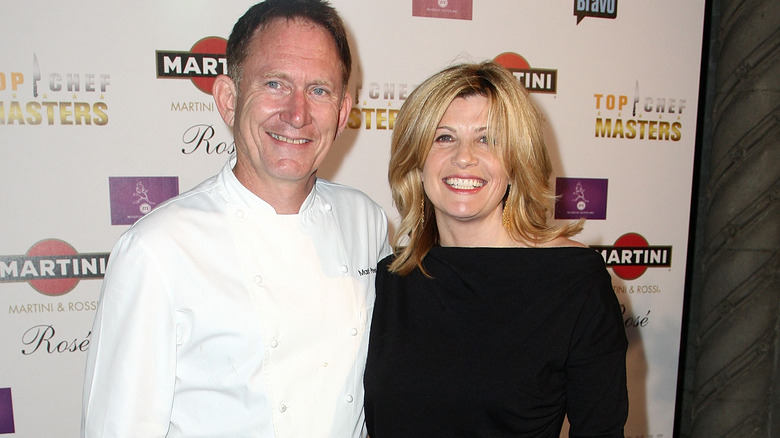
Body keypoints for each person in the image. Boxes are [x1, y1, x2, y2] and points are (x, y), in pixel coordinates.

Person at [82, 1, 391, 437]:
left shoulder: (366, 221)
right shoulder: (157, 249)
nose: (297, 113)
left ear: (342, 112)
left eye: (319, 90)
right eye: (274, 84)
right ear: (228, 99)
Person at [363, 61, 628, 437]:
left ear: (516, 161)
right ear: (416, 162)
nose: (464, 156)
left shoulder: (573, 280)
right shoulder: (390, 281)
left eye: (488, 139)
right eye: (443, 137)